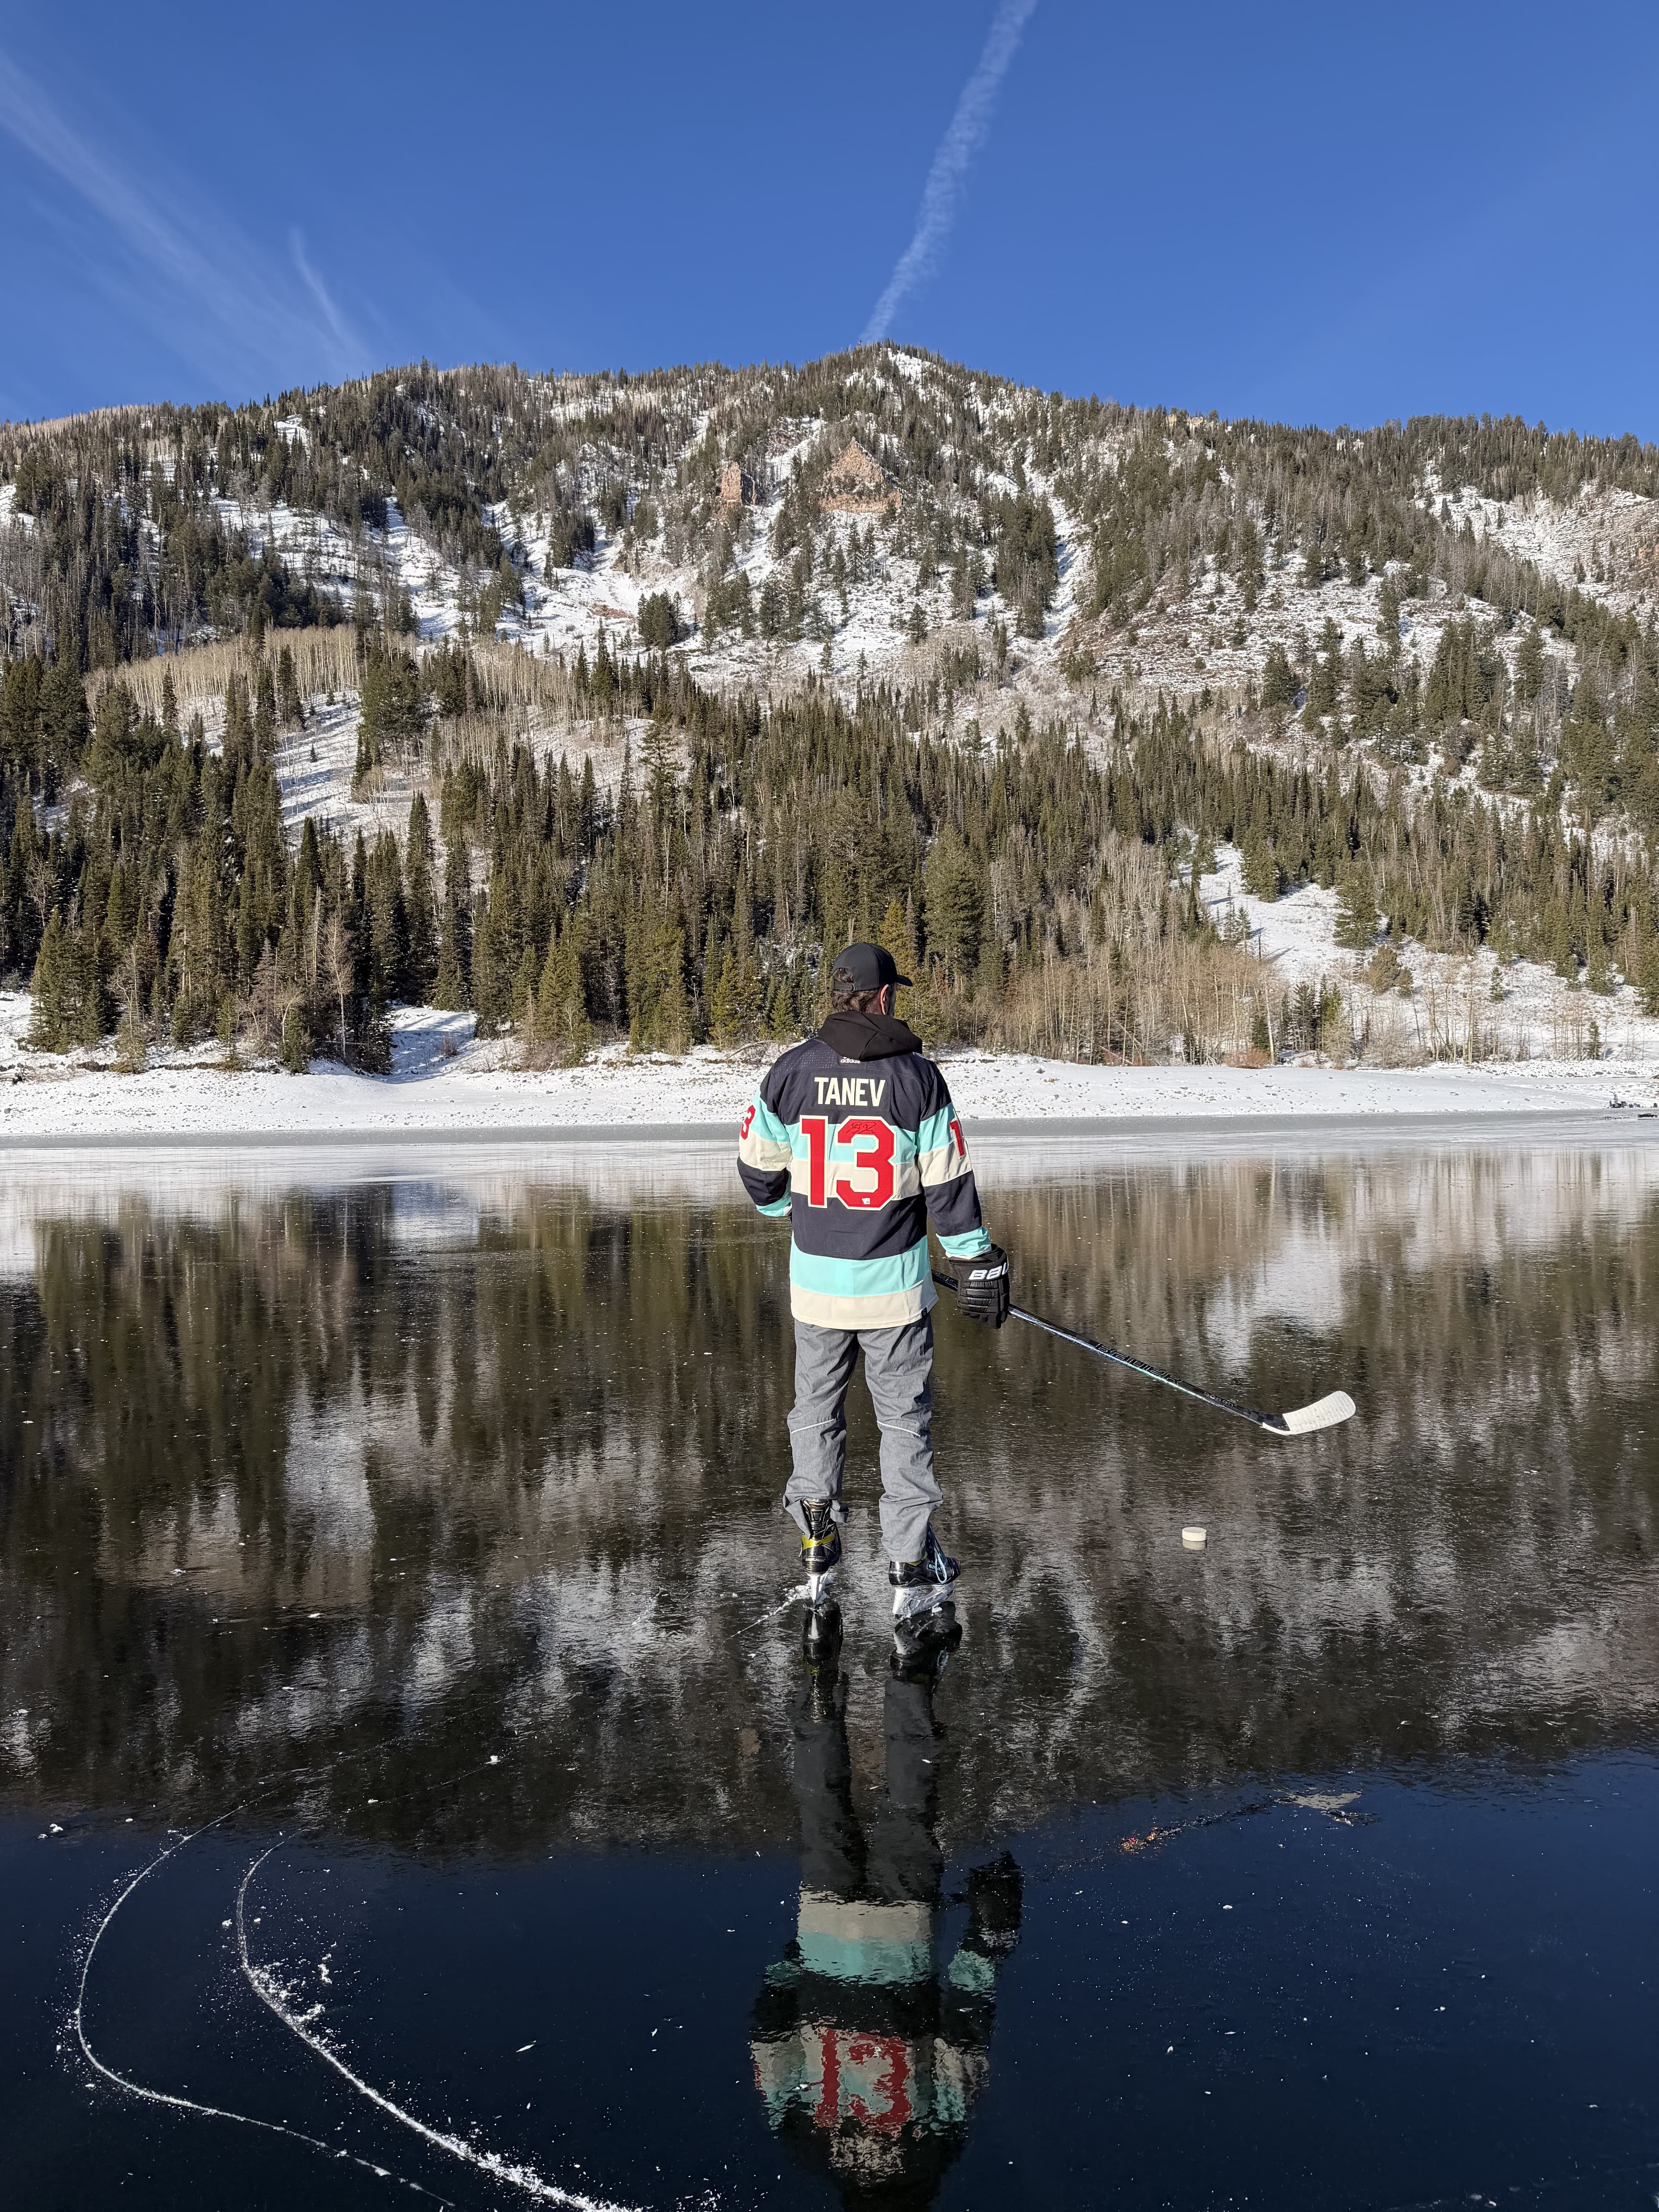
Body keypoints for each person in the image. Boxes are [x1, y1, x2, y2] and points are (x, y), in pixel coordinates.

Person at [737, 942, 1010, 1650]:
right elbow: (948, 1188)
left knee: (816, 1414)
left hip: (818, 1289)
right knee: (903, 1424)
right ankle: (910, 1558)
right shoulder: (918, 1078)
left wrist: (789, 1212)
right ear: (884, 996)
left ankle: (817, 1538)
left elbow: (757, 1169)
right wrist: (977, 1261)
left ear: (839, 993)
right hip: (893, 1291)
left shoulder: (791, 1072)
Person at [750, 1625, 1023, 2206]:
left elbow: (962, 2039)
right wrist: (791, 1965)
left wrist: (989, 1938)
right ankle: (820, 1679)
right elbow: (769, 2038)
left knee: (909, 1807)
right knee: (821, 1804)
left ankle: (910, 1674)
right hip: (825, 1935)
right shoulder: (803, 2142)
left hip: (901, 1937)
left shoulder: (933, 2146)